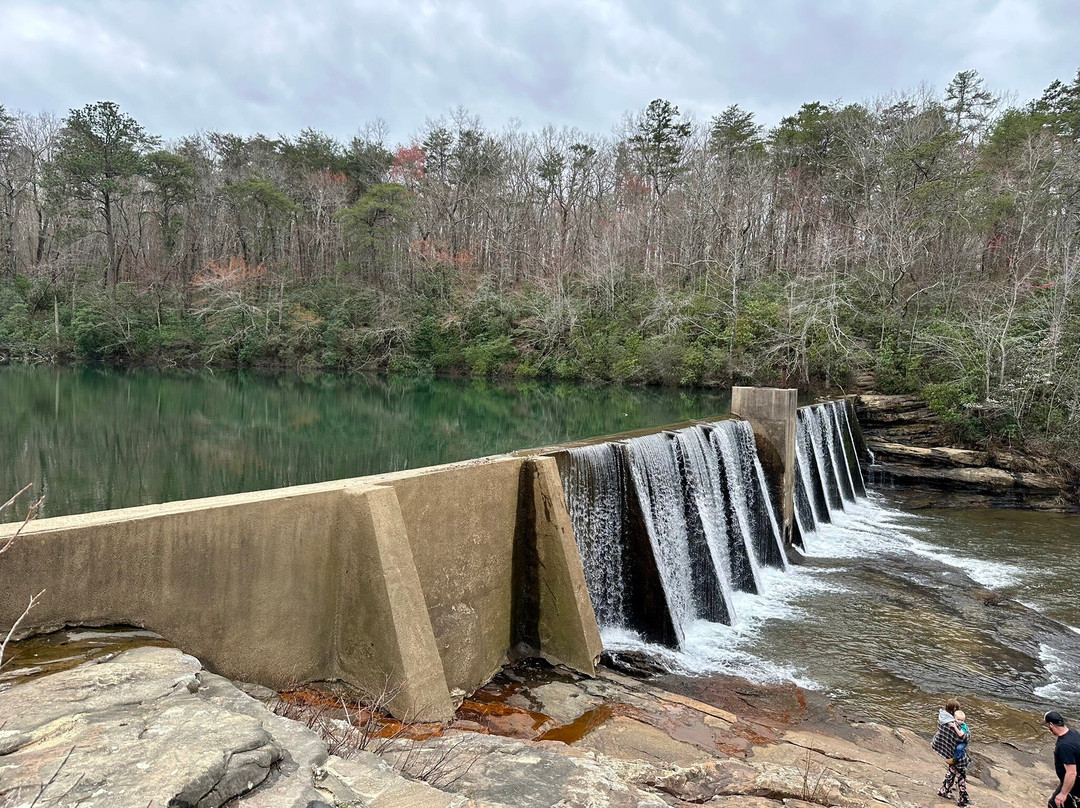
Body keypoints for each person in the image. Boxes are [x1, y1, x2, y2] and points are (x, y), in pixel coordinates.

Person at [932, 700, 970, 806]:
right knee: (961, 776)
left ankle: (944, 791)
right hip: (957, 756)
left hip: (948, 752)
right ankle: (963, 800)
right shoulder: (954, 725)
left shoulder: (942, 719)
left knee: (952, 772)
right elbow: (966, 738)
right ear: (954, 710)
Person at [1045, 711, 1080, 808]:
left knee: (1055, 804)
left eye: (1048, 725)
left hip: (1074, 784)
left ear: (1051, 725)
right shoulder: (1073, 732)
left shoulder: (1064, 746)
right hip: (1071, 781)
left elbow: (1071, 773)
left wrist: (1063, 794)